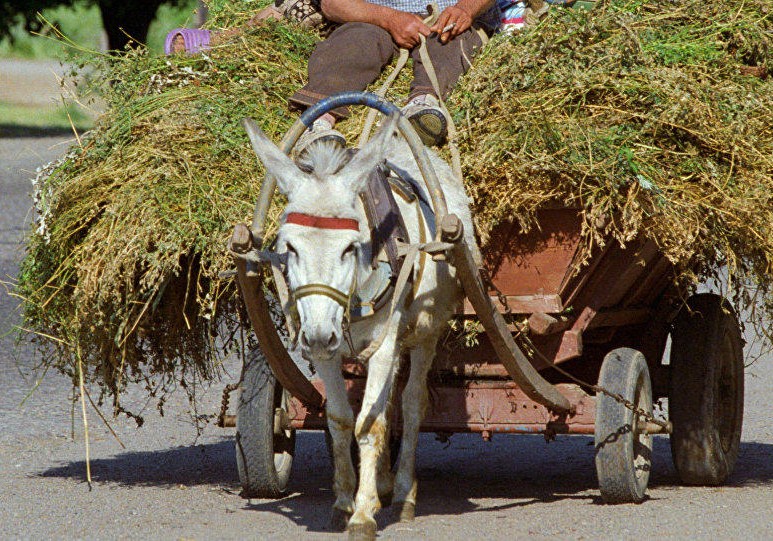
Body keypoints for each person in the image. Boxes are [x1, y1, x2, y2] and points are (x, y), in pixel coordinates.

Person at [289, 0, 499, 148]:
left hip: (451, 17)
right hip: (375, 16)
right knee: (353, 44)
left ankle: (423, 108)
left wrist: (465, 9)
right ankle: (317, 122)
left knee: (451, 45)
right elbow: (335, 4)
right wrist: (389, 19)